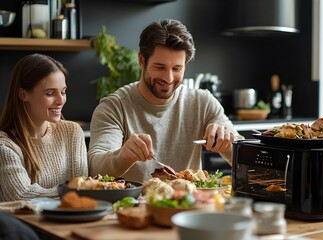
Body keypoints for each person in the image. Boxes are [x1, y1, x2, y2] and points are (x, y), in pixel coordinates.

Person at [88, 19, 242, 183]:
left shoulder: (203, 102)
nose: (168, 78)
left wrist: (228, 145)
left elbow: (245, 159)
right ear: (142, 61)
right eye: (160, 67)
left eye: (177, 69)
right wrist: (123, 156)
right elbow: (95, 169)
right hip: (131, 206)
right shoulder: (114, 107)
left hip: (190, 204)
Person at [0, 53, 88, 202]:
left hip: (70, 220)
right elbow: (20, 195)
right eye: (50, 93)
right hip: (26, 224)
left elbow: (82, 188)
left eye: (63, 91)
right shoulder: (5, 146)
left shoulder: (72, 132)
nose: (61, 100)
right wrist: (68, 190)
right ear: (23, 94)